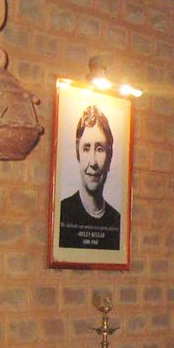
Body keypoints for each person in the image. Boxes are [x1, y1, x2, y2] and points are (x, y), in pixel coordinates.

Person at [58, 105, 121, 251]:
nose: (93, 162)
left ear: (109, 158)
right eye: (86, 149)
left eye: (100, 149)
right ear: (78, 154)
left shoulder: (117, 220)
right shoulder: (63, 212)